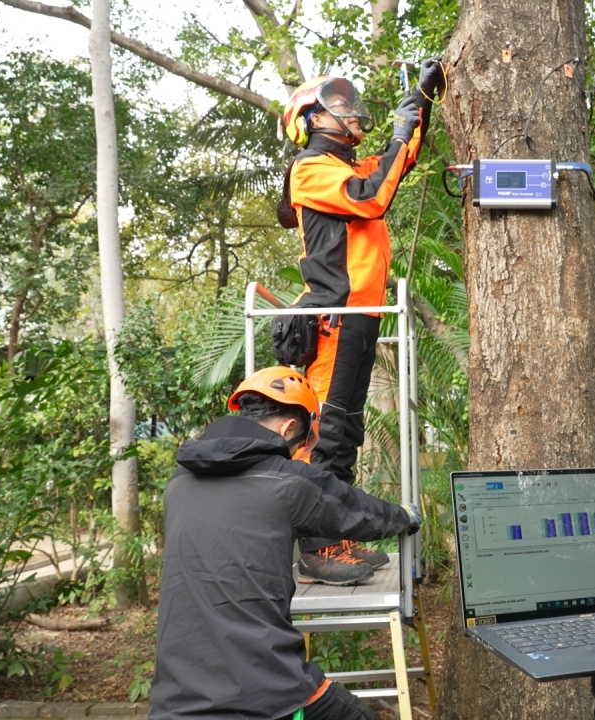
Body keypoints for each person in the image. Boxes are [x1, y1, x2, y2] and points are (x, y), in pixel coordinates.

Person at [150, 367, 421, 720]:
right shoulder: (287, 480)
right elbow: (356, 511)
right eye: (306, 443)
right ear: (289, 429)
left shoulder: (179, 482)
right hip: (266, 690)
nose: (302, 453)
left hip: (175, 700)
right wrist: (405, 516)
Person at [275, 65, 444, 584]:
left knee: (344, 433)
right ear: (311, 119)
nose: (350, 112)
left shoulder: (347, 165)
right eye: (337, 105)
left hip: (361, 316)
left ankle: (337, 536)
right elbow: (373, 195)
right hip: (334, 315)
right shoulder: (311, 168)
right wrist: (396, 133)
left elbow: (397, 162)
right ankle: (316, 548)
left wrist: (418, 102)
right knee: (324, 432)